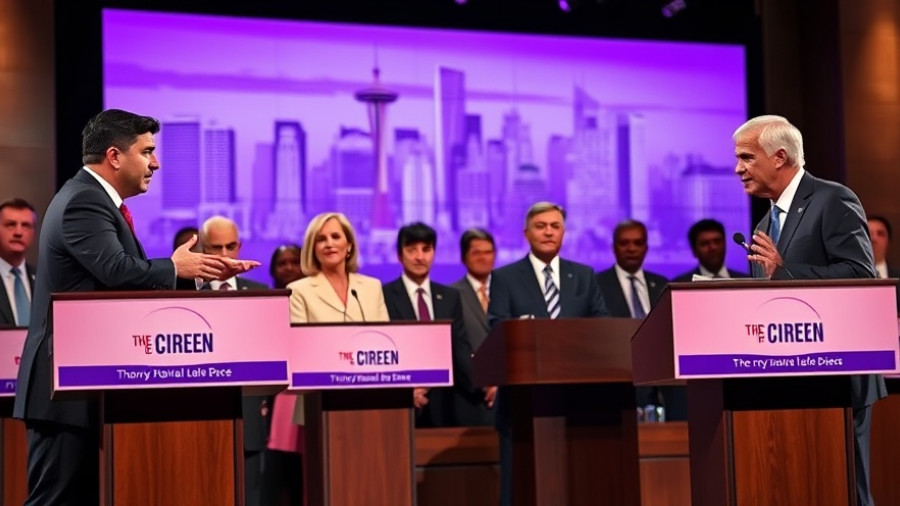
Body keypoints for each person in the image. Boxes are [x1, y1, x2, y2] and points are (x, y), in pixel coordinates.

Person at [12, 109, 255, 506]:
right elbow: (117, 271)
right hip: (65, 394)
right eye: (147, 152)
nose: (155, 163)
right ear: (114, 156)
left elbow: (119, 281)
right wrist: (175, 267)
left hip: (85, 390)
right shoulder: (83, 202)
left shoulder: (94, 200)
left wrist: (192, 272)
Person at [735, 114, 885, 506]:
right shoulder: (767, 222)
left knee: (849, 491)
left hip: (837, 378)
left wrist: (785, 273)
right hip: (784, 380)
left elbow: (860, 274)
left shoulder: (832, 199)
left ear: (780, 157)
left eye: (747, 158)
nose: (738, 169)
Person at [487, 201, 608, 506]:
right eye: (541, 226)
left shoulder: (583, 275)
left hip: (577, 398)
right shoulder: (505, 278)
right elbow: (498, 326)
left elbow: (602, 324)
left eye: (555, 227)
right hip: (523, 400)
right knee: (521, 486)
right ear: (526, 233)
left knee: (576, 482)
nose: (548, 232)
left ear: (564, 233)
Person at [287, 211, 389, 436]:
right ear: (313, 248)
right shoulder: (299, 291)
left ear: (349, 245)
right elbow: (300, 350)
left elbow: (384, 343)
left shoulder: (372, 288)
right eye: (321, 239)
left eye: (335, 237)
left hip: (369, 399)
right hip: (319, 400)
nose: (329, 244)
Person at [197, 215, 269, 506]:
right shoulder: (186, 293)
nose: (225, 256)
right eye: (215, 248)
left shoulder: (260, 295)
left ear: (239, 246)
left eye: (230, 247)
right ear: (202, 248)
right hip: (200, 418)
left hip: (250, 419)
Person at [382, 222, 474, 427]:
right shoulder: (383, 295)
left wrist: (483, 386)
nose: (419, 257)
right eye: (411, 250)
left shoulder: (450, 297)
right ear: (399, 255)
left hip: (445, 403)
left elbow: (459, 349)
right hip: (401, 402)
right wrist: (406, 392)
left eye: (426, 249)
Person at [595, 219, 684, 420]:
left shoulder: (662, 284)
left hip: (661, 380)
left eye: (637, 243)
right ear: (613, 248)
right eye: (624, 243)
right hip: (618, 378)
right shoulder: (597, 285)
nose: (631, 249)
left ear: (646, 247)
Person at [261, 243, 305, 506]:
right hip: (276, 401)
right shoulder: (264, 303)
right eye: (282, 263)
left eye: (294, 261)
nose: (289, 267)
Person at [449, 228, 497, 426]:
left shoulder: (509, 290)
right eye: (476, 252)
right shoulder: (452, 295)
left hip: (508, 393)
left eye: (488, 252)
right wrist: (485, 383)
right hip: (469, 396)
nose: (483, 258)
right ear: (463, 257)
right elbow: (456, 347)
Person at [672, 218, 748, 281]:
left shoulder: (746, 281)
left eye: (717, 241)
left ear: (725, 244)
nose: (713, 247)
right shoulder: (680, 284)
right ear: (694, 250)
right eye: (705, 243)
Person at [0, 198, 37, 327]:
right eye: (10, 225)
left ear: (33, 233)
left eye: (26, 226)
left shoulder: (45, 281)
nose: (18, 232)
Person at [867, 216, 900, 313]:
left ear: (888, 241)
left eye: (880, 234)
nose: (874, 239)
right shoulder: (848, 277)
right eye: (869, 234)